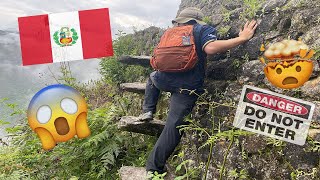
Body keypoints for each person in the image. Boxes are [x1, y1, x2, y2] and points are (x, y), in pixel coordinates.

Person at [139, 7, 258, 175]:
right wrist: (242, 38)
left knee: (152, 77)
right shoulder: (202, 29)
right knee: (173, 127)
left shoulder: (170, 33)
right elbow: (210, 48)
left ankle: (148, 110)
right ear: (198, 20)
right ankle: (153, 168)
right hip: (187, 87)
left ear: (181, 20)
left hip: (163, 79)